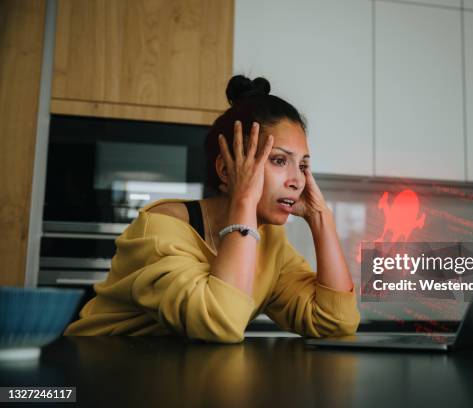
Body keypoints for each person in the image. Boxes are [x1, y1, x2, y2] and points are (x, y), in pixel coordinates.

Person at [64, 75, 360, 343]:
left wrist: (322, 218)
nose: (298, 180)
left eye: (304, 165)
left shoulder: (270, 244)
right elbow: (220, 322)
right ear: (225, 169)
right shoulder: (158, 229)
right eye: (280, 161)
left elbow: (336, 323)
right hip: (99, 373)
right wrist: (243, 199)